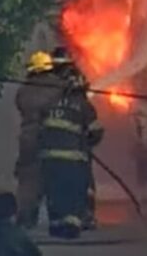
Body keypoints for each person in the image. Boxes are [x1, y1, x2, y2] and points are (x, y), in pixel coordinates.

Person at [39, 49, 101, 239]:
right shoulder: (82, 104)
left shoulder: (47, 100)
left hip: (49, 157)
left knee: (55, 190)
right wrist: (87, 142)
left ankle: (56, 224)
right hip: (74, 158)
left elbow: (40, 126)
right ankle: (76, 222)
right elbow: (96, 131)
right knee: (77, 189)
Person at [14, 50, 69, 229]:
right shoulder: (61, 87)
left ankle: (26, 218)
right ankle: (59, 219)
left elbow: (22, 107)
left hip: (28, 139)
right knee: (58, 177)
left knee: (29, 179)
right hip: (55, 138)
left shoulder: (23, 91)